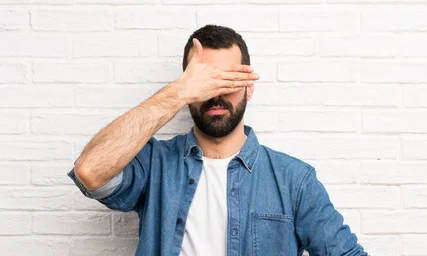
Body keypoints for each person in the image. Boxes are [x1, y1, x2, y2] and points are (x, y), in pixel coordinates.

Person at [67, 24, 368, 256]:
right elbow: (90, 171)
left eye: (228, 79)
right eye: (205, 80)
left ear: (249, 88)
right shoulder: (155, 165)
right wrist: (180, 91)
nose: (216, 92)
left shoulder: (294, 180)